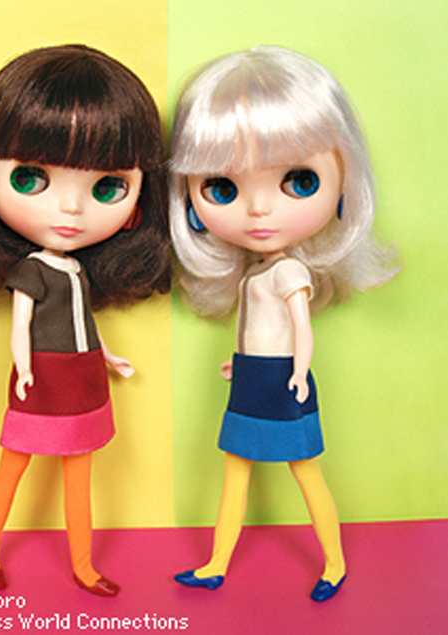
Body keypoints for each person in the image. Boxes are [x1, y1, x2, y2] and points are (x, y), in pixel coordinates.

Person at [0, 44, 169, 597]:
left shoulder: (78, 272)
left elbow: (83, 322)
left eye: (106, 187)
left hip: (84, 377)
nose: (70, 209)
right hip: (39, 379)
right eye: (32, 178)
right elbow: (20, 327)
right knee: (12, 468)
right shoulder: (31, 271)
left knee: (79, 478)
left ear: (138, 202)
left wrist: (108, 356)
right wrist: (24, 370)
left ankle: (84, 566)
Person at [169, 46, 397, 601]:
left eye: (298, 181)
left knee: (306, 473)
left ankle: (334, 564)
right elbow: (255, 325)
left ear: (345, 183)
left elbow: (301, 328)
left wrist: (297, 372)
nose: (258, 211)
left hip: (283, 382)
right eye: (223, 188)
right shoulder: (255, 273)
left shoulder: (291, 270)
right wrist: (240, 363)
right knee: (236, 474)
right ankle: (216, 563)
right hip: (252, 377)